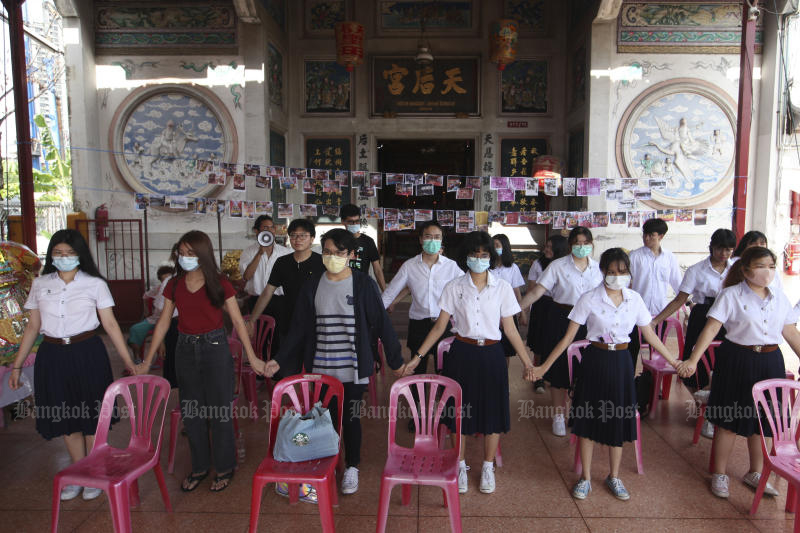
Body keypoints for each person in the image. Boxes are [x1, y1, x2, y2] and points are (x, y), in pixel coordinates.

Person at [264, 229, 408, 496]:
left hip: (353, 368)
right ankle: (327, 463)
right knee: (326, 419)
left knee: (351, 419)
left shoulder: (363, 285)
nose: (332, 257)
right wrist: (278, 360)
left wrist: (396, 362)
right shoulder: (313, 284)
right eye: (327, 252)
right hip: (321, 367)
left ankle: (352, 466)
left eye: (339, 253)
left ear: (351, 255)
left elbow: (382, 323)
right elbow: (298, 329)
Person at [532, 248, 680, 501]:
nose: (616, 277)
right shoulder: (589, 298)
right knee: (588, 419)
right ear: (602, 272)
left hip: (622, 361)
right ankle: (586, 477)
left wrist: (675, 362)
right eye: (611, 272)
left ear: (629, 273)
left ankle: (614, 476)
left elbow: (651, 336)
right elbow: (568, 338)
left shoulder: (635, 299)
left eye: (621, 272)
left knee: (617, 419)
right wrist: (543, 368)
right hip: (594, 361)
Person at [7, 229, 138, 502]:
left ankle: (95, 473)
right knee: (65, 418)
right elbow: (33, 326)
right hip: (52, 355)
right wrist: (17, 365)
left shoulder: (94, 284)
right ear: (51, 255)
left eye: (69, 253)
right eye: (58, 253)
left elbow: (111, 324)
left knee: (91, 417)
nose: (64, 258)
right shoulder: (40, 284)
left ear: (80, 255)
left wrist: (128, 361)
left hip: (87, 352)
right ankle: (79, 473)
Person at [403, 231, 536, 495]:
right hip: (462, 353)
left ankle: (487, 466)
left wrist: (528, 362)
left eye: (484, 255)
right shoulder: (454, 287)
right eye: (474, 254)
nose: (479, 259)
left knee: (492, 411)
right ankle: (460, 464)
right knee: (457, 413)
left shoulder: (502, 287)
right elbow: (440, 327)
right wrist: (417, 358)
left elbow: (509, 329)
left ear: (491, 257)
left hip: (492, 354)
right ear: (466, 257)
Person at [138, 231, 266, 493]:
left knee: (219, 411)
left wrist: (252, 357)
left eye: (191, 253)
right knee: (192, 411)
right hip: (184, 348)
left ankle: (224, 466)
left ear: (203, 254)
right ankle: (199, 466)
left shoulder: (219, 283)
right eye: (182, 253)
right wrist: (147, 358)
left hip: (215, 348)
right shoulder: (174, 284)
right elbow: (163, 321)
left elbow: (238, 322)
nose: (185, 258)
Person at [676, 246, 800, 499]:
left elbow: (790, 332)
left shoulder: (779, 296)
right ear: (745, 270)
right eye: (761, 266)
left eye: (771, 267)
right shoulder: (731, 295)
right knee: (728, 418)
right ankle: (719, 473)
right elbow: (710, 329)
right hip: (737, 359)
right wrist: (692, 359)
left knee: (765, 421)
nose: (767, 272)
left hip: (770, 360)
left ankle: (756, 473)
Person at [519, 226, 603, 437]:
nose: (581, 247)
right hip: (561, 319)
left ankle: (578, 412)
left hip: (590, 323)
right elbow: (539, 290)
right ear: (570, 246)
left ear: (591, 245)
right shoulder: (557, 266)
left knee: (586, 369)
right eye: (577, 243)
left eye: (585, 243)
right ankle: (558, 414)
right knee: (559, 369)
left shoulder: (599, 268)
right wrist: (518, 307)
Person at [381, 220, 462, 429]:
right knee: (418, 371)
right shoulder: (410, 266)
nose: (432, 241)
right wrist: (374, 312)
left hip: (444, 325)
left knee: (445, 369)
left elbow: (466, 291)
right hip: (418, 323)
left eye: (437, 237)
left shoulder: (452, 267)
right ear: (420, 240)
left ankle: (445, 412)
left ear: (442, 241)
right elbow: (391, 292)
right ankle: (419, 414)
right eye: (428, 236)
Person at [651, 228, 736, 392]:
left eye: (728, 249)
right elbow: (680, 299)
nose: (724, 253)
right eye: (720, 248)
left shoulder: (737, 269)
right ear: (711, 247)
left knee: (727, 359)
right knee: (698, 359)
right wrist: (656, 320)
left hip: (728, 317)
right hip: (702, 316)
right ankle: (699, 399)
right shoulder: (696, 270)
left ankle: (721, 399)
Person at [248, 218, 325, 372]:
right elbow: (267, 292)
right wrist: (252, 320)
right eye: (294, 235)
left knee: (317, 373)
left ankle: (316, 397)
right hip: (289, 323)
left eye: (303, 235)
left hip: (316, 325)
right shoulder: (282, 262)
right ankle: (290, 395)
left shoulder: (321, 262)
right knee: (288, 371)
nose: (298, 239)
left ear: (312, 238)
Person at [628, 218, 682, 367]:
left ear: (661, 236)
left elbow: (678, 285)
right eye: (645, 234)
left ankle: (651, 387)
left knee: (657, 354)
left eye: (651, 235)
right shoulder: (634, 256)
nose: (646, 238)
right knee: (632, 350)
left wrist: (688, 303)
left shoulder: (669, 258)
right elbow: (626, 285)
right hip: (636, 314)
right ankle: (630, 386)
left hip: (659, 313)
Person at [238, 215, 292, 353]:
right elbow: (247, 276)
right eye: (265, 227)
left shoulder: (284, 252)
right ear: (257, 231)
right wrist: (260, 253)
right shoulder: (249, 251)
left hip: (279, 301)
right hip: (256, 301)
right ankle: (260, 371)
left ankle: (277, 372)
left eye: (272, 227)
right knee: (259, 337)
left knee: (278, 338)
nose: (269, 230)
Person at [525, 235, 569, 394]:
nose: (546, 250)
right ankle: (538, 376)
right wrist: (524, 310)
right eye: (546, 246)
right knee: (539, 341)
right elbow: (532, 289)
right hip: (542, 304)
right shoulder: (538, 264)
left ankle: (553, 373)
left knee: (556, 341)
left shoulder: (566, 265)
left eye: (550, 247)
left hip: (558, 305)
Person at [127, 265, 174, 364]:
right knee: (135, 329)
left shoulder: (177, 288)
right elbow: (145, 296)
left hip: (171, 320)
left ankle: (161, 358)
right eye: (164, 280)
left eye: (169, 279)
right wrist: (146, 309)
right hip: (155, 319)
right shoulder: (157, 289)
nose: (166, 282)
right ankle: (137, 357)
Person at [491, 234, 525, 364]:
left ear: (504, 247)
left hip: (508, 313)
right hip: (490, 313)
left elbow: (517, 291)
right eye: (493, 245)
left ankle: (504, 375)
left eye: (497, 246)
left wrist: (522, 313)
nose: (494, 248)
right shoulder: (486, 267)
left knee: (507, 349)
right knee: (492, 346)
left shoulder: (512, 268)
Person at [340, 203, 386, 291]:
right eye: (350, 221)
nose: (354, 224)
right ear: (343, 221)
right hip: (341, 286)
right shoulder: (337, 240)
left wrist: (385, 293)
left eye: (357, 221)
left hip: (361, 286)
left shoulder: (368, 241)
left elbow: (377, 270)